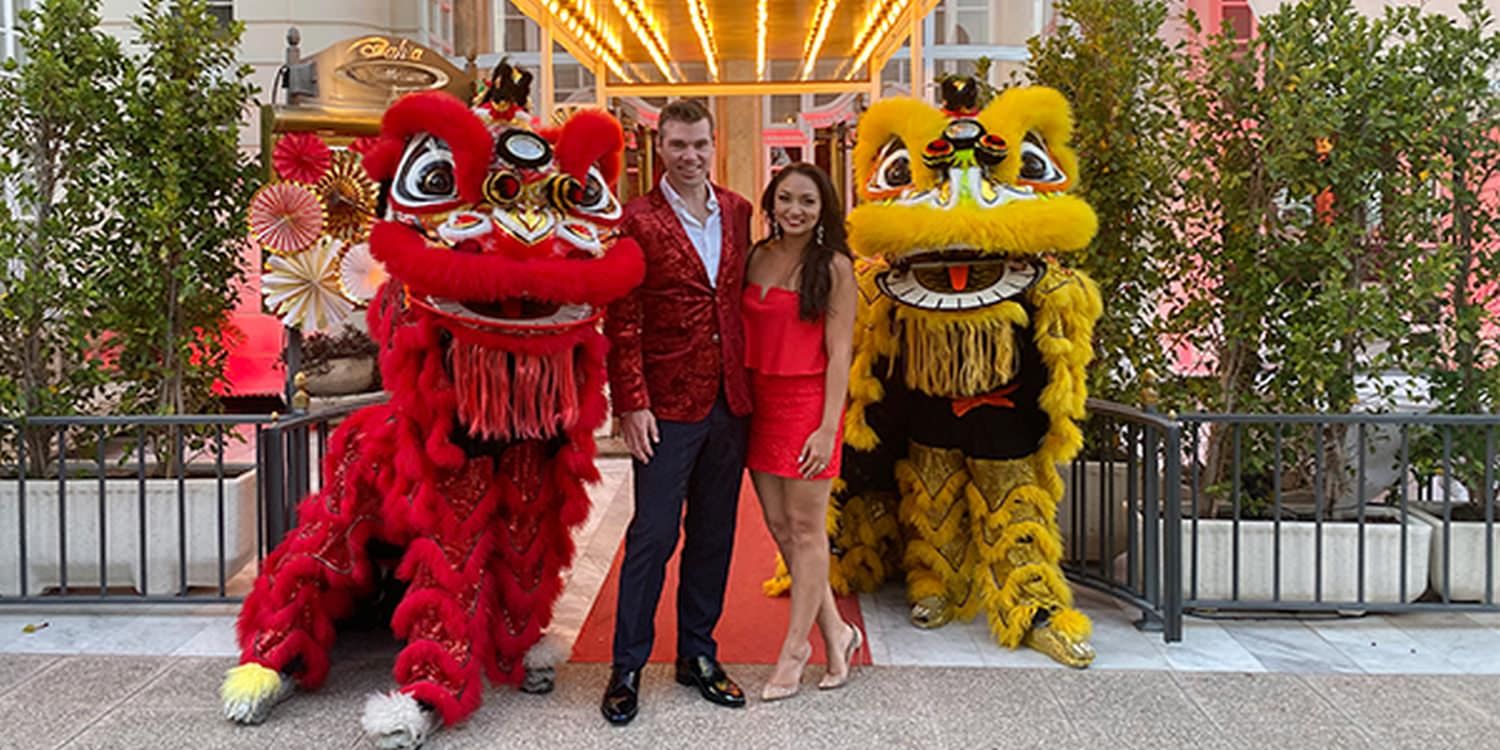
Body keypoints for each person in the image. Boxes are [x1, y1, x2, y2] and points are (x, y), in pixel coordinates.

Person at [600, 99, 754, 726]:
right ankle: (626, 665)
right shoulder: (635, 219)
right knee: (652, 536)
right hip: (665, 406)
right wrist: (631, 403)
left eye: (699, 145)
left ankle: (698, 654)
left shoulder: (739, 212)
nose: (689, 156)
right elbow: (622, 320)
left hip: (730, 402)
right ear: (657, 148)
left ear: (712, 144)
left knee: (715, 536)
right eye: (677, 146)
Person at [742, 163, 860, 700]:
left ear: (822, 209)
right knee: (780, 528)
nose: (795, 210)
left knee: (808, 530)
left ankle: (796, 648)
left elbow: (841, 354)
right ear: (771, 202)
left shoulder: (834, 267)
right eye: (786, 199)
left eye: (807, 202)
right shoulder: (756, 256)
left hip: (809, 405)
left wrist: (827, 427)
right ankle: (837, 633)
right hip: (759, 403)